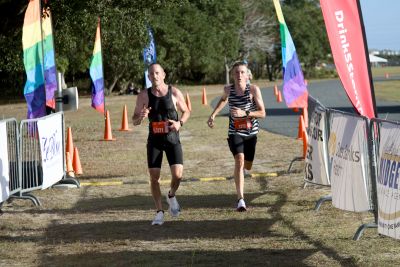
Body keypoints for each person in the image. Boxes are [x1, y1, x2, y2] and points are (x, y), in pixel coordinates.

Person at [132, 63, 190, 225]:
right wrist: (141, 117)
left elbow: (186, 111)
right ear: (148, 77)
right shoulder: (143, 96)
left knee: (177, 175)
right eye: (151, 74)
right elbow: (134, 120)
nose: (154, 76)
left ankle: (171, 195)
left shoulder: (174, 92)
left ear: (163, 74)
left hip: (172, 139)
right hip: (155, 141)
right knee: (154, 177)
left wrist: (180, 123)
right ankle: (159, 212)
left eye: (157, 73)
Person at [207, 61, 265, 212]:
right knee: (239, 159)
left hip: (251, 133)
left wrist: (244, 113)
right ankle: (241, 199)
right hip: (235, 132)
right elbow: (223, 100)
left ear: (247, 75)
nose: (239, 75)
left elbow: (262, 113)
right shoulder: (228, 89)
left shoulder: (253, 90)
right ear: (232, 75)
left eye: (242, 72)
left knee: (248, 165)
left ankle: (243, 171)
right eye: (236, 72)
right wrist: (213, 114)